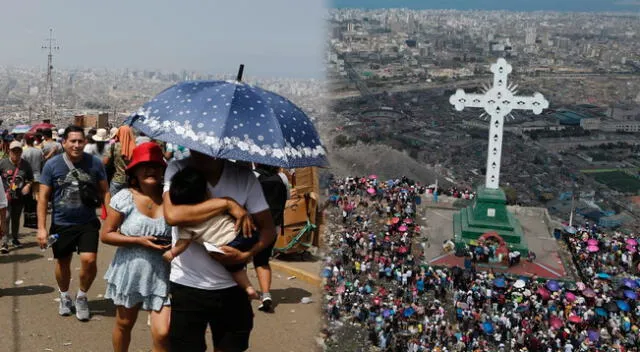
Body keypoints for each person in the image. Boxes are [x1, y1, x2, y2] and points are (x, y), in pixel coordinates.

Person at [163, 151, 277, 351]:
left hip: (231, 289)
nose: (197, 150)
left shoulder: (244, 177)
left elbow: (268, 229)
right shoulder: (179, 169)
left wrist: (246, 255)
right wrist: (226, 203)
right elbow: (172, 215)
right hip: (187, 285)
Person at [100, 142, 171, 352]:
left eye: (156, 166)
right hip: (131, 270)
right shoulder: (124, 198)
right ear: (135, 171)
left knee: (163, 331)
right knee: (124, 324)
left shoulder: (172, 198)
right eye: (145, 166)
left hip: (164, 273)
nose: (151, 170)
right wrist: (138, 240)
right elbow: (106, 235)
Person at [37, 125, 111, 321]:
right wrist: (42, 228)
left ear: (85, 142)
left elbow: (105, 192)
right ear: (64, 143)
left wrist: (111, 217)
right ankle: (63, 295)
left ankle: (82, 296)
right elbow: (43, 198)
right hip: (61, 223)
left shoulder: (95, 164)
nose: (77, 145)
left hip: (87, 221)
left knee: (89, 260)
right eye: (73, 141)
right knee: (63, 262)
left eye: (80, 141)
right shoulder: (52, 165)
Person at [163, 167, 259, 299]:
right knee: (240, 261)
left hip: (228, 246)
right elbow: (236, 213)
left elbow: (183, 243)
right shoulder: (215, 204)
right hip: (244, 233)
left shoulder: (184, 224)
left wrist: (172, 253)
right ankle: (248, 285)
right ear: (206, 193)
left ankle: (248, 287)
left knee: (234, 269)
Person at [252, 164, 290, 312]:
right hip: (274, 226)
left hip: (254, 226)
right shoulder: (283, 178)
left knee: (241, 258)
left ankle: (240, 291)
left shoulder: (252, 176)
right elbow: (286, 198)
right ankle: (266, 294)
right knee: (262, 260)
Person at [0, 141, 34, 253]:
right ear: (9, 151)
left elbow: (31, 179)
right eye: (13, 151)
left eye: (18, 151)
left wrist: (28, 185)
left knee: (16, 219)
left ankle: (14, 238)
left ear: (21, 152)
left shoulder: (25, 165)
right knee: (6, 218)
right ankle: (4, 242)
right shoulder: (3, 163)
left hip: (19, 198)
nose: (16, 153)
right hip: (5, 198)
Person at [103, 126, 136, 196]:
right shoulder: (135, 147)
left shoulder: (114, 145)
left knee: (113, 204)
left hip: (117, 179)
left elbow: (105, 161)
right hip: (129, 181)